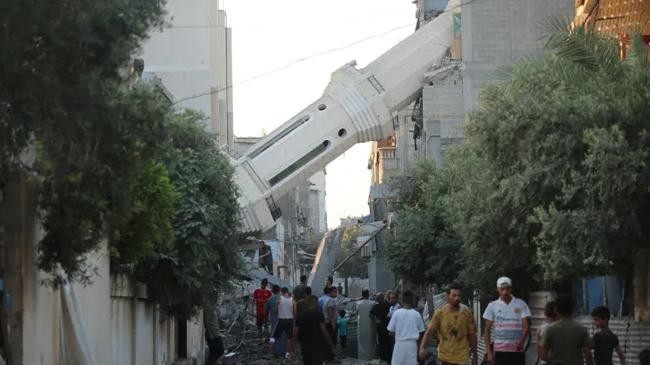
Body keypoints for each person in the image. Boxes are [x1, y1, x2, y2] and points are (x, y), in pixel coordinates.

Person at [419, 284, 477, 365]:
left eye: (459, 296)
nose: (457, 298)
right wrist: (422, 348)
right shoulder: (440, 313)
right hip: (444, 359)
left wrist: (475, 356)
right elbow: (429, 331)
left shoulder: (467, 314)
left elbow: (472, 335)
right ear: (447, 296)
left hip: (462, 359)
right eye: (454, 295)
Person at [483, 277, 532, 365]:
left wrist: (522, 340)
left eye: (507, 289)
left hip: (517, 350)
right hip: (499, 351)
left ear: (511, 289)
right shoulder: (492, 306)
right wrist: (489, 352)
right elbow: (487, 330)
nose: (505, 292)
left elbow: (526, 325)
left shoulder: (521, 304)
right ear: (498, 289)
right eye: (502, 289)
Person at [540, 294, 593, 365]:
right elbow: (588, 355)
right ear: (573, 309)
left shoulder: (549, 329)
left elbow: (543, 355)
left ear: (556, 310)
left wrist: (554, 362)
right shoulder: (582, 329)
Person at [387, 290, 426, 365]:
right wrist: (419, 348)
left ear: (402, 300)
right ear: (412, 300)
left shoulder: (397, 313)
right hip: (412, 346)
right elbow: (421, 333)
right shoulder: (417, 314)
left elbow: (391, 331)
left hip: (399, 345)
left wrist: (398, 336)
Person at [271, 287, 294, 357]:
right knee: (289, 338)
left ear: (282, 292)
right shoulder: (292, 300)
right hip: (290, 320)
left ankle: (271, 352)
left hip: (281, 320)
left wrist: (279, 310)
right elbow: (294, 311)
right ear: (287, 292)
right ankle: (287, 354)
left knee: (273, 337)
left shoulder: (280, 298)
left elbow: (276, 309)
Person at [371, 292, 393, 362]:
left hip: (380, 326)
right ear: (383, 298)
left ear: (377, 299)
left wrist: (376, 319)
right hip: (388, 326)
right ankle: (389, 358)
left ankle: (383, 358)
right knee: (388, 342)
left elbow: (370, 314)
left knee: (381, 343)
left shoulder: (376, 306)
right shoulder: (388, 305)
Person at [357, 289, 377, 360]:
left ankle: (362, 357)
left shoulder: (358, 303)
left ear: (362, 295)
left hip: (361, 325)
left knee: (362, 340)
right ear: (368, 295)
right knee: (370, 340)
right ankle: (370, 357)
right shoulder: (373, 303)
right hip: (370, 324)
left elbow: (357, 312)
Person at [323, 286, 339, 361]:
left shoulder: (328, 300)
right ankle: (331, 358)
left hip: (328, 323)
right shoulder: (331, 300)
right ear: (330, 292)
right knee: (332, 340)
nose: (336, 293)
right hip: (330, 323)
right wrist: (333, 323)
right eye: (334, 292)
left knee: (329, 340)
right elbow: (330, 311)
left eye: (336, 292)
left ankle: (329, 358)